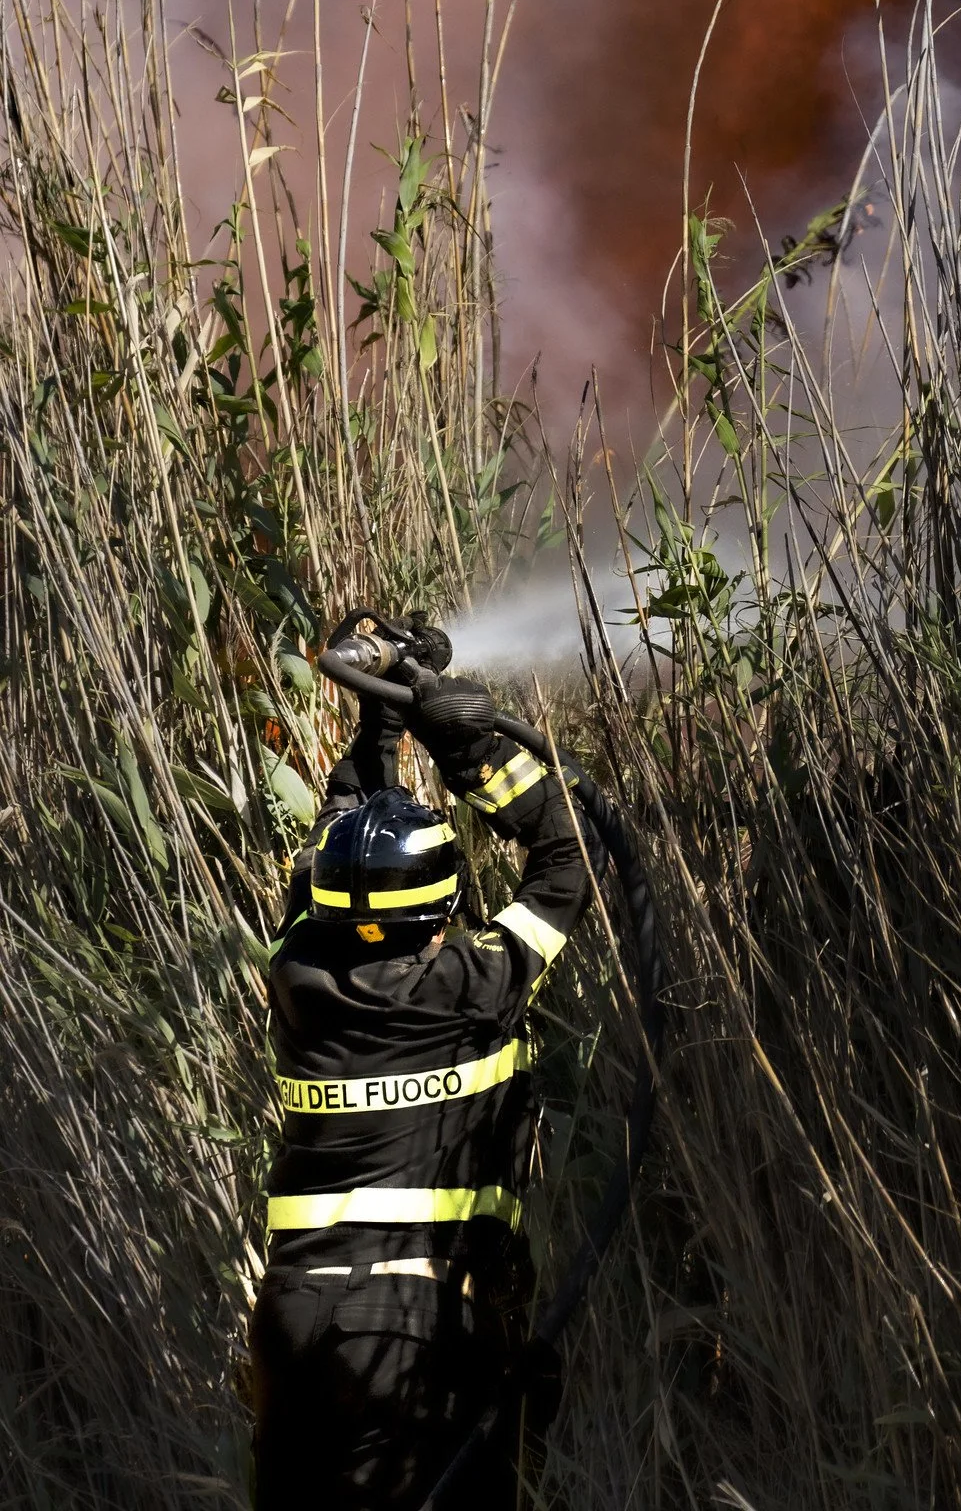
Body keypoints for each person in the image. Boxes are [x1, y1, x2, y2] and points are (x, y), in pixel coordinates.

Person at [249, 639, 591, 1511]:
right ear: (444, 905)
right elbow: (569, 856)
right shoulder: (472, 985)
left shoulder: (299, 972)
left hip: (291, 1318)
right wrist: (472, 752)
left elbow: (342, 827)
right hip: (408, 1327)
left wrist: (382, 717)